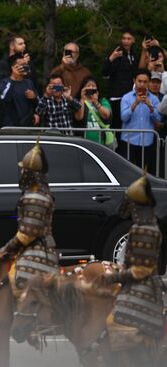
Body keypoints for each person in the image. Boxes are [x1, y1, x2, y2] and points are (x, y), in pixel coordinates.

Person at [100, 175, 164, 348]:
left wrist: (114, 277)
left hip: (142, 289)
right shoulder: (141, 228)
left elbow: (141, 271)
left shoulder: (146, 231)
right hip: (133, 286)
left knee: (114, 322)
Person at [0, 140, 58, 297]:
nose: (21, 173)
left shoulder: (35, 197)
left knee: (11, 286)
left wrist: (6, 249)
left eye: (23, 170)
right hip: (35, 252)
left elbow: (27, 234)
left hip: (37, 255)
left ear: (29, 173)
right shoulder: (40, 193)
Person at [119, 69, 162, 175]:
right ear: (134, 81)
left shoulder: (154, 99)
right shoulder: (126, 97)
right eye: (139, 81)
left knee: (143, 173)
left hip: (146, 142)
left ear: (148, 83)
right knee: (127, 172)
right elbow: (124, 118)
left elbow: (158, 120)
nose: (142, 84)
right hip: (128, 141)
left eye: (145, 82)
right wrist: (135, 104)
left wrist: (150, 106)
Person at [102, 30, 138, 131]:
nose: (126, 41)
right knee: (117, 126)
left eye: (129, 39)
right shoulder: (117, 53)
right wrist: (112, 58)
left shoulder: (134, 55)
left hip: (131, 95)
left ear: (133, 40)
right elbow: (105, 72)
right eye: (124, 38)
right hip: (117, 96)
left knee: (129, 124)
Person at [0, 53, 38, 127]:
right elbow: (4, 99)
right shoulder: (4, 82)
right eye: (21, 65)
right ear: (13, 67)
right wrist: (14, 79)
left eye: (26, 64)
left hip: (27, 125)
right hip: (10, 126)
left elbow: (37, 103)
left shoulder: (29, 82)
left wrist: (34, 97)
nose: (25, 67)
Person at [75, 76, 114, 147]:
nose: (91, 88)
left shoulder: (102, 101)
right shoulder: (78, 101)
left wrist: (96, 103)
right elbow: (79, 117)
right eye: (88, 86)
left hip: (101, 141)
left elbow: (106, 115)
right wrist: (82, 99)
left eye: (93, 86)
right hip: (83, 141)